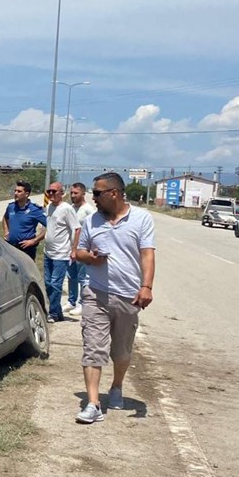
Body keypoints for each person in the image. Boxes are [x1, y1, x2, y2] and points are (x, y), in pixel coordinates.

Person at [73, 172, 156, 424]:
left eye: (97, 193)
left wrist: (146, 286)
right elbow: (78, 252)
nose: (93, 198)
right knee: (92, 348)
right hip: (95, 293)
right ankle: (93, 403)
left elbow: (147, 256)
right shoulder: (92, 221)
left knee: (121, 352)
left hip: (128, 296)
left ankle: (117, 386)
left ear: (114, 193)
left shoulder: (141, 218)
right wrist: (92, 258)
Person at [42, 182, 80, 323]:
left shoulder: (67, 209)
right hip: (48, 252)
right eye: (49, 191)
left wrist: (74, 250)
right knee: (47, 283)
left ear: (61, 193)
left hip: (61, 253)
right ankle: (58, 312)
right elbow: (49, 226)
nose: (51, 194)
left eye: (54, 191)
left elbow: (77, 229)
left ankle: (52, 313)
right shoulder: (49, 207)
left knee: (55, 284)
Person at [66, 182, 97, 316]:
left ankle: (81, 303)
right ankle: (71, 301)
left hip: (83, 249)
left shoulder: (89, 210)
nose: (73, 195)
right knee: (71, 276)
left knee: (82, 277)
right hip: (70, 248)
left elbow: (95, 230)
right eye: (71, 193)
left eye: (76, 193)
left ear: (83, 194)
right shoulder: (71, 208)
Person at [2, 181, 46, 259]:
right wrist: (6, 231)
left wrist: (34, 241)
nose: (15, 193)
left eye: (19, 191)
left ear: (26, 194)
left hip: (26, 248)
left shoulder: (35, 210)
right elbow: (5, 218)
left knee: (26, 270)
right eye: (15, 191)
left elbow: (51, 226)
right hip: (11, 246)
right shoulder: (11, 207)